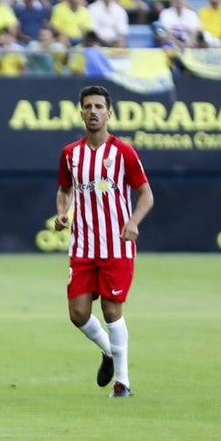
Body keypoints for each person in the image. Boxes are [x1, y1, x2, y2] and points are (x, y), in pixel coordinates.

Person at [55, 85, 154, 399]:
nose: (93, 112)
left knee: (112, 310)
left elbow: (146, 195)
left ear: (109, 113)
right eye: (88, 107)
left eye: (99, 106)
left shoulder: (123, 152)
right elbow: (65, 189)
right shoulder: (71, 154)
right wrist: (61, 212)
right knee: (78, 314)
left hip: (116, 246)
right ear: (81, 112)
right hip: (83, 246)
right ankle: (110, 351)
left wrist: (133, 221)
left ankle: (122, 382)